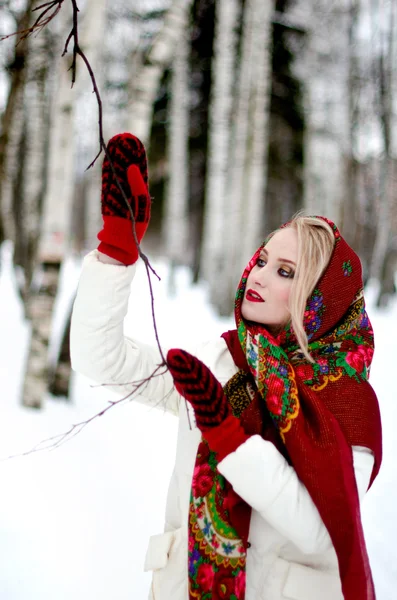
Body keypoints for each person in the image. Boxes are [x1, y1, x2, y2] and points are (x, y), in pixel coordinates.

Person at [70, 133, 382, 600]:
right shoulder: (221, 362)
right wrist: (118, 248)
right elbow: (103, 359)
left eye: (285, 271)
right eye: (262, 259)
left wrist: (231, 439)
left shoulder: (348, 404)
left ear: (322, 301)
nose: (257, 273)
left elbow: (322, 531)